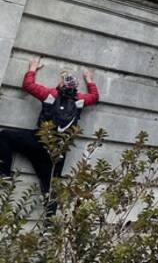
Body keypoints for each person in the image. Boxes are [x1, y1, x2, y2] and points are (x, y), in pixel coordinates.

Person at [0, 58, 99, 215]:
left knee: (4, 136)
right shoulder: (80, 100)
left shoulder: (50, 94)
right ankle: (48, 227)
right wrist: (89, 79)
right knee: (52, 188)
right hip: (57, 152)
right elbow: (95, 96)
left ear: (60, 85)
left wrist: (33, 68)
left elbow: (28, 85)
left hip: (37, 142)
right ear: (75, 89)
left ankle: (4, 174)